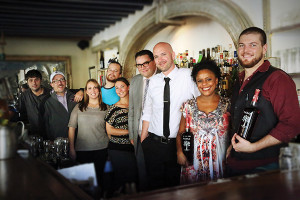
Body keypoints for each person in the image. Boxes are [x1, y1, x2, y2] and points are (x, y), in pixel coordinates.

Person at [226, 27, 300, 176]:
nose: (246, 50)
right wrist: (230, 147)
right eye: (241, 45)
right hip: (236, 165)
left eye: (253, 45)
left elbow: (292, 125)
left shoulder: (277, 79)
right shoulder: (239, 79)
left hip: (265, 167)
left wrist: (254, 147)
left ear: (264, 48)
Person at [141, 42, 200, 190]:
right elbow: (148, 110)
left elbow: (201, 102)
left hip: (178, 145)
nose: (160, 59)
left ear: (173, 55)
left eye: (163, 54)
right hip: (153, 144)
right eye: (156, 56)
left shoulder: (188, 75)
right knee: (154, 189)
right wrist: (143, 139)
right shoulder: (153, 81)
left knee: (177, 189)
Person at [176, 60, 230, 184]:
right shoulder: (188, 106)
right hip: (193, 164)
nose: (204, 84)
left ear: (216, 80)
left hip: (220, 164)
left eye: (208, 79)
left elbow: (233, 133)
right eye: (199, 80)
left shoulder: (228, 104)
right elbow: (180, 132)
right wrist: (179, 152)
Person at [68, 79, 109, 189]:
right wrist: (71, 148)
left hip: (102, 148)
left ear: (99, 90)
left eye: (95, 87)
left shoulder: (106, 108)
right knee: (85, 184)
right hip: (82, 149)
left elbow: (109, 131)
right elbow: (71, 128)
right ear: (86, 91)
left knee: (99, 181)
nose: (93, 90)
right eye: (90, 88)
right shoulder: (79, 107)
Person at [128, 49, 158, 191]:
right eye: (139, 65)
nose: (142, 67)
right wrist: (132, 133)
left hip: (156, 134)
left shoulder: (162, 78)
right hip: (138, 133)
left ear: (154, 61)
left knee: (156, 171)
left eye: (146, 63)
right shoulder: (135, 81)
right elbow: (132, 109)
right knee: (141, 170)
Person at [104, 77, 138, 194]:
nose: (119, 90)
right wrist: (131, 132)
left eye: (122, 86)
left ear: (128, 87)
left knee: (134, 181)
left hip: (135, 148)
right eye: (116, 88)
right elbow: (109, 131)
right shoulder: (113, 108)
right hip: (118, 149)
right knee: (125, 181)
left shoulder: (136, 106)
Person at [42, 71, 83, 140]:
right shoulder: (46, 101)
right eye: (56, 81)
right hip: (58, 140)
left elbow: (92, 91)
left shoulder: (74, 94)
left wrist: (82, 91)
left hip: (78, 139)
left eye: (62, 79)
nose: (60, 83)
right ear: (51, 84)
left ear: (65, 82)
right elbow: (43, 124)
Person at [18, 70, 51, 137]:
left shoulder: (50, 93)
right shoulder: (24, 96)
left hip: (51, 132)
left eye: (36, 79)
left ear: (41, 80)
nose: (34, 83)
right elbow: (23, 115)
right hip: (33, 134)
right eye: (31, 80)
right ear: (27, 82)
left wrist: (79, 91)